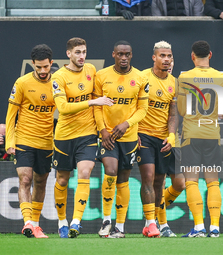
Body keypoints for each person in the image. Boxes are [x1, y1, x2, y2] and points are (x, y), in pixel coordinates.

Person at [51, 38, 113, 238]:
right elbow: (63, 108)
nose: (82, 56)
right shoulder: (59, 77)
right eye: (77, 52)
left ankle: (76, 222)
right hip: (64, 135)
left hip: (87, 134)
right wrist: (92, 101)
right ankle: (62, 221)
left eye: (84, 52)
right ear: (68, 54)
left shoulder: (91, 71)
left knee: (85, 173)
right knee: (62, 179)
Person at [177, 40, 223, 237]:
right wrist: (217, 113)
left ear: (192, 56)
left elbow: (182, 110)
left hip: (191, 135)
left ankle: (199, 227)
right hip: (212, 135)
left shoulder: (184, 77)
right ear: (210, 55)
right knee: (213, 182)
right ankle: (215, 227)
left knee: (192, 181)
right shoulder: (221, 77)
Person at [96, 40, 149, 238]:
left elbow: (143, 109)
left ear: (131, 55)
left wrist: (126, 123)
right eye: (120, 54)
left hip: (129, 137)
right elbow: (98, 107)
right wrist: (103, 131)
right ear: (114, 55)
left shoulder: (141, 77)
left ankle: (120, 226)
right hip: (109, 136)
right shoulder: (102, 75)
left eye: (127, 54)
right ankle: (106, 220)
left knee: (124, 180)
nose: (124, 58)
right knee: (110, 171)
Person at [5, 44, 55, 238]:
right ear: (32, 64)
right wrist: (10, 141)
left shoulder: (58, 83)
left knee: (41, 182)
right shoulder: (22, 83)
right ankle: (27, 223)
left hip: (46, 141)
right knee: (25, 179)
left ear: (51, 63)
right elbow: (11, 115)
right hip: (24, 138)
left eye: (46, 67)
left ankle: (35, 223)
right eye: (38, 67)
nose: (42, 71)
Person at [138, 41, 183, 238]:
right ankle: (153, 224)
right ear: (154, 57)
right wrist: (133, 134)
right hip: (143, 136)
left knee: (162, 182)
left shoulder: (174, 82)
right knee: (148, 177)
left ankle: (155, 220)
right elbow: (132, 107)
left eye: (169, 56)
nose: (166, 59)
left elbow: (173, 114)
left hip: (164, 138)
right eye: (162, 56)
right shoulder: (141, 78)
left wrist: (171, 136)